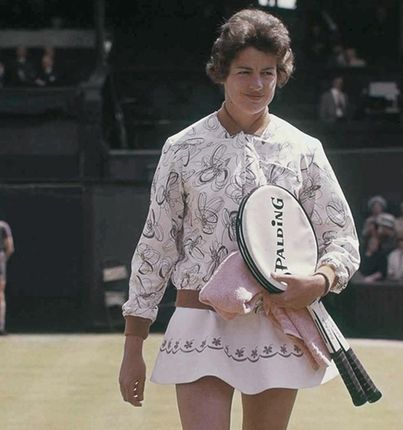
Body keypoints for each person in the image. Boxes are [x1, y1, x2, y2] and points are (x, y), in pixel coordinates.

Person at [118, 9, 360, 429]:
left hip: (278, 325)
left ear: (280, 74)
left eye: (268, 72)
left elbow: (342, 239)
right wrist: (133, 345)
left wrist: (318, 282)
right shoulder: (182, 148)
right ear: (221, 73)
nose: (257, 84)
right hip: (199, 321)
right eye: (244, 71)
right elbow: (156, 245)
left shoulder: (303, 149)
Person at [0, 220, 14, 335]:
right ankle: (1, 326)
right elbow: (10, 247)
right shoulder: (3, 226)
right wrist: (3, 260)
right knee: (0, 294)